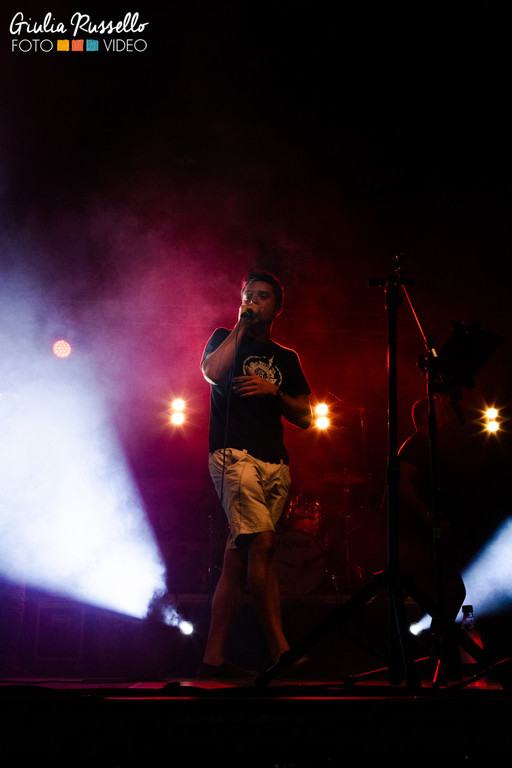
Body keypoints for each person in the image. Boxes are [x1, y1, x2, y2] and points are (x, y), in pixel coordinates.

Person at [199, 270, 312, 677]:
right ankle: (281, 651)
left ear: (277, 307)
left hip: (274, 463)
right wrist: (240, 326)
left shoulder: (287, 358)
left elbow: (306, 416)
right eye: (248, 295)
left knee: (237, 560)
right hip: (233, 455)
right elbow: (213, 372)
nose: (253, 301)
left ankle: (212, 659)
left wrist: (274, 392)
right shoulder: (224, 337)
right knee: (263, 543)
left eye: (263, 296)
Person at [398, 394, 467, 626]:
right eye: (441, 411)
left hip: (424, 533)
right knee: (449, 591)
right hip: (417, 533)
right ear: (426, 416)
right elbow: (402, 484)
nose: (446, 416)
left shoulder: (429, 445)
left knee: (442, 590)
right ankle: (432, 637)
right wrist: (428, 517)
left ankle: (430, 637)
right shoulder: (417, 444)